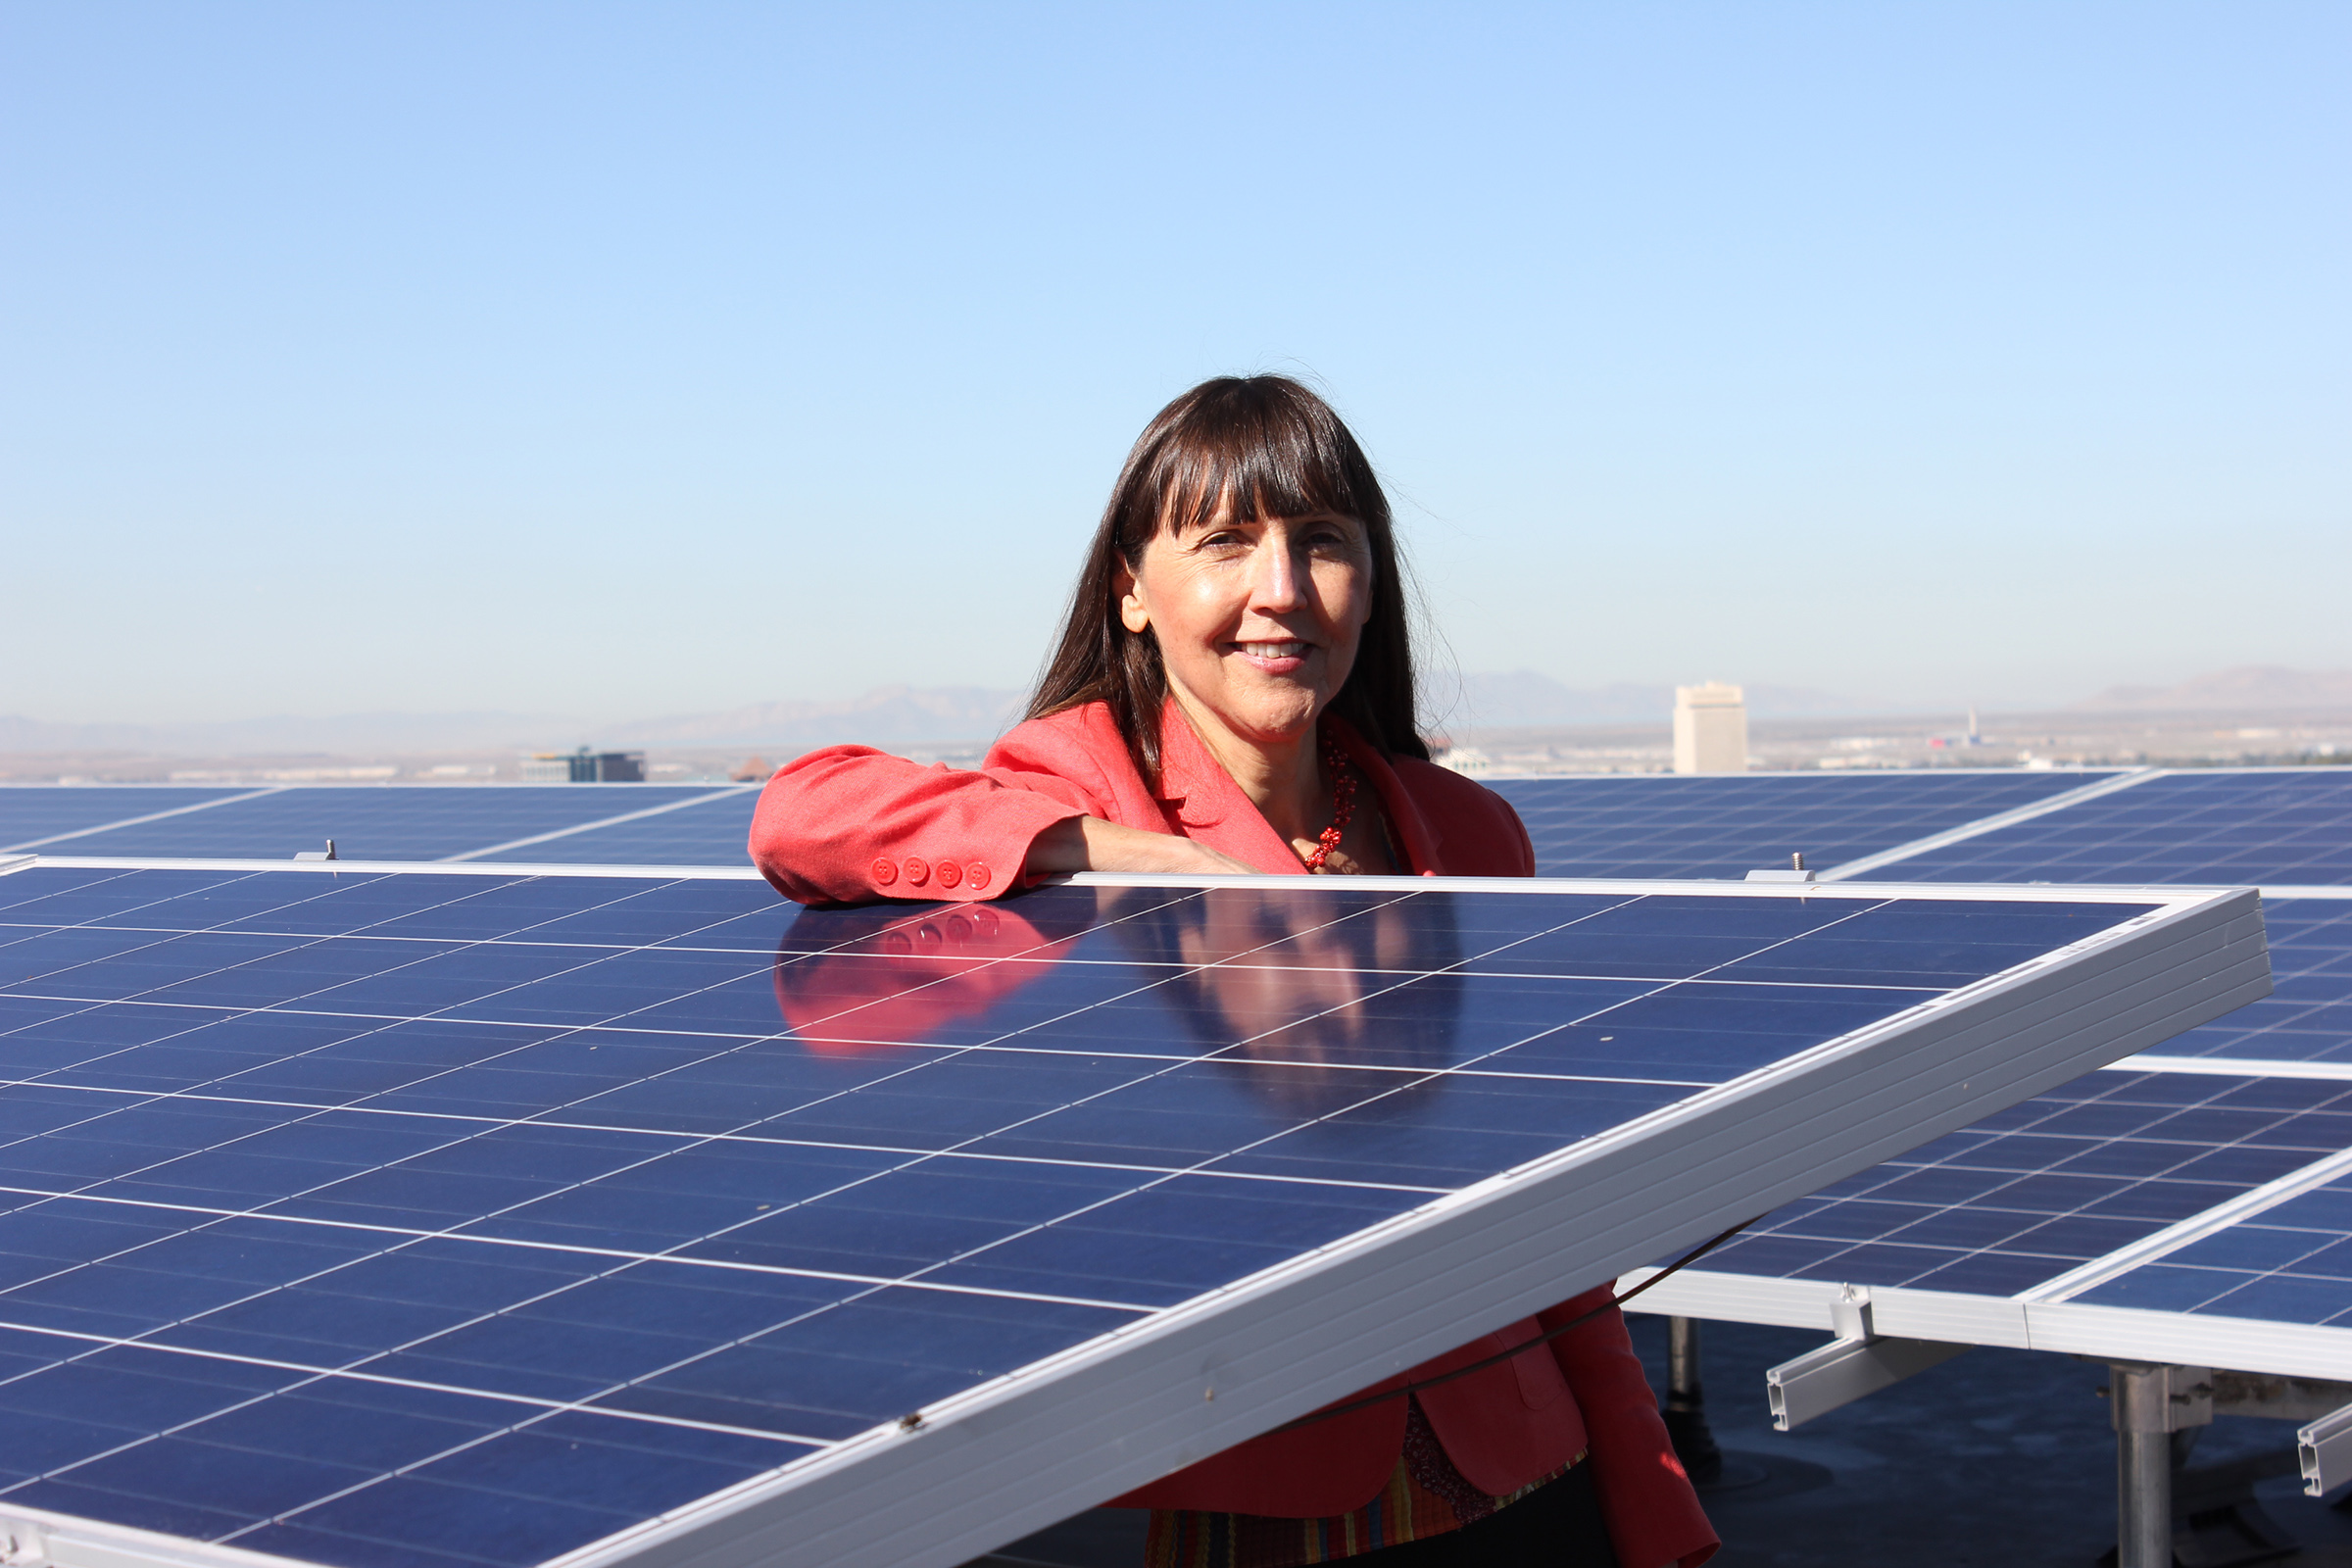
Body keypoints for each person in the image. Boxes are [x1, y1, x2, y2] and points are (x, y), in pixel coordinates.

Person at [750, 375, 1717, 1568]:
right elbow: (805, 814)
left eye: (1323, 543)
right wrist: (1121, 854)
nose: (1280, 590)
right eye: (1224, 543)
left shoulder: (1467, 834)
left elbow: (1547, 1209)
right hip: (1248, 1483)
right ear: (1131, 588)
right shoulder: (1081, 785)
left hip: (1522, 1471)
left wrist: (1651, 1498)